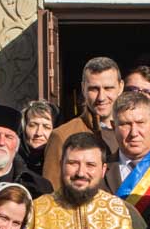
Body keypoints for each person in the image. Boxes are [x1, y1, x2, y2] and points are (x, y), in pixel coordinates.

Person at [42, 58, 123, 191]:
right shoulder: (62, 136)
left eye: (108, 88)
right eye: (94, 89)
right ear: (83, 88)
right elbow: (51, 194)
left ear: (121, 87)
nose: (101, 97)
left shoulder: (132, 134)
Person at [111, 91, 150, 215]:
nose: (134, 133)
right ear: (114, 126)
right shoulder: (98, 170)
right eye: (125, 124)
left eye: (140, 123)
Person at [19, 102, 56, 177]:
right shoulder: (11, 162)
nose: (38, 133)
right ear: (24, 128)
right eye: (32, 125)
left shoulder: (60, 164)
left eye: (46, 127)